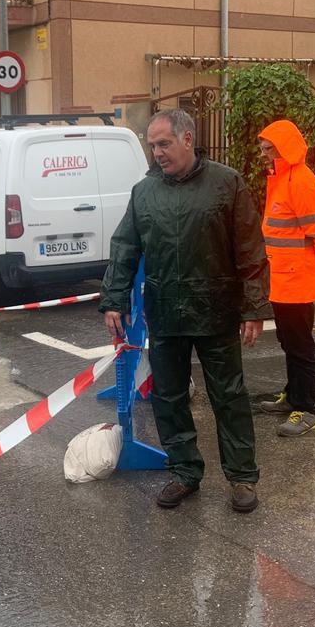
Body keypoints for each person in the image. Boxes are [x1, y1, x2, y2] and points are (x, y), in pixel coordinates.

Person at [101, 108, 272, 513]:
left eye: (164, 143)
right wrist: (114, 298)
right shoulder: (144, 192)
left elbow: (250, 250)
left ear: (188, 139)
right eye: (152, 146)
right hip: (165, 313)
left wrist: (254, 308)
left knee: (229, 396)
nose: (157, 152)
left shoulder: (226, 184)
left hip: (216, 311)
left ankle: (242, 477)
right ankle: (184, 472)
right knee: (169, 396)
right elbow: (125, 246)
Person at [255, 120, 315, 437]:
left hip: (297, 280)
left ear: (284, 149)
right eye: (262, 148)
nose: (262, 154)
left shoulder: (300, 181)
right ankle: (292, 398)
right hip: (283, 280)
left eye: (267, 149)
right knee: (289, 342)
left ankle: (306, 410)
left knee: (300, 346)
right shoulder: (283, 179)